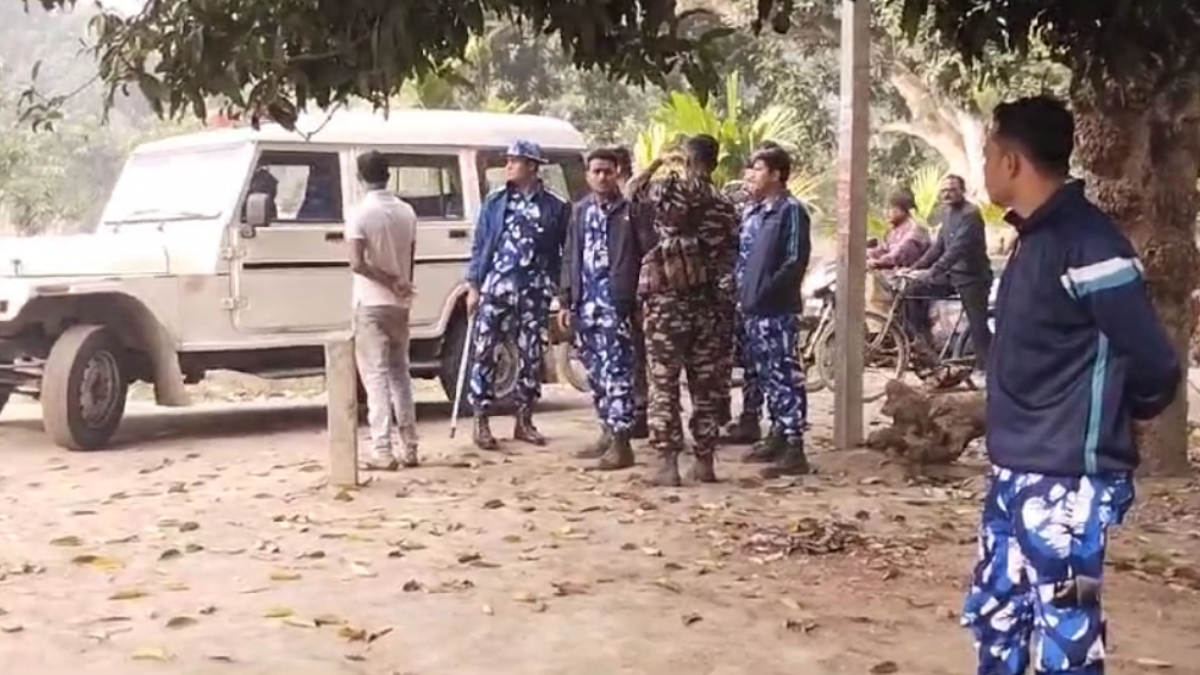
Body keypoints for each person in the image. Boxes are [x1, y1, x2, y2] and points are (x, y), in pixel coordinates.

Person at [963, 95, 1180, 675]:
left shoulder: (1091, 244)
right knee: (995, 615)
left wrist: (1112, 421)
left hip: (1067, 489)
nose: (983, 165)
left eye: (988, 153)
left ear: (1011, 161)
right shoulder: (1035, 239)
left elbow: (1156, 365)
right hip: (1012, 477)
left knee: (1068, 631)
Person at [636, 135, 739, 486]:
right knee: (706, 385)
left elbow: (633, 191)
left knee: (664, 382)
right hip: (709, 305)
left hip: (667, 304)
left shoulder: (669, 191)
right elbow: (731, 253)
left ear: (688, 159)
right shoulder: (725, 203)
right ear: (714, 162)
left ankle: (667, 464)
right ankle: (705, 462)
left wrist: (658, 164)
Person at [464, 140, 570, 451]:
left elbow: (564, 253)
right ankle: (481, 419)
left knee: (530, 355)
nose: (508, 166)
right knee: (485, 351)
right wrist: (473, 285)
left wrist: (562, 294)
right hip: (496, 288)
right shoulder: (495, 202)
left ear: (533, 166)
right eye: (508, 161)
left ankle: (524, 419)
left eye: (515, 161)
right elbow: (481, 245)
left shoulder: (555, 205)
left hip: (534, 290)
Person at [557, 148, 649, 469]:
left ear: (617, 173)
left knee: (618, 373)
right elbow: (570, 256)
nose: (602, 177)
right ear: (587, 175)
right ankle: (607, 432)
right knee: (595, 374)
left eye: (607, 171)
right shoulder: (580, 212)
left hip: (616, 305)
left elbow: (647, 256)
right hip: (587, 305)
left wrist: (639, 299)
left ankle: (623, 442)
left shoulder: (631, 212)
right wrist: (566, 299)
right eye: (596, 171)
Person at [735, 146, 812, 476]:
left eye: (758, 169)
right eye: (750, 169)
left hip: (775, 309)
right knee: (765, 375)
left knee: (783, 374)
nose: (751, 175)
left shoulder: (790, 211)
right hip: (751, 309)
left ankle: (795, 445)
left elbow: (794, 260)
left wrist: (765, 292)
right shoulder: (754, 212)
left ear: (777, 174)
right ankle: (778, 433)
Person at [345, 151, 419, 470]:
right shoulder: (407, 212)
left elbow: (357, 263)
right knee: (400, 375)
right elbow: (410, 258)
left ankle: (383, 450)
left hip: (370, 303)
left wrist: (389, 282)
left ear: (360, 177)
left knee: (375, 378)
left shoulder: (359, 213)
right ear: (388, 175)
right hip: (399, 306)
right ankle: (410, 447)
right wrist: (402, 286)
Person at [898, 174, 992, 370]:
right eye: (944, 191)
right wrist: (916, 269)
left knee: (977, 326)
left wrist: (933, 271)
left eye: (952, 190)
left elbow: (957, 249)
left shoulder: (970, 214)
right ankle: (924, 345)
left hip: (972, 278)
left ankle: (988, 369)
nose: (947, 194)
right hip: (951, 275)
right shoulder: (946, 213)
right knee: (912, 291)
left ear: (962, 191)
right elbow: (938, 247)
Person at [611, 145, 650, 438]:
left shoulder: (636, 201)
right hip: (618, 290)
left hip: (637, 290)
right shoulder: (610, 203)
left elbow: (646, 248)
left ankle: (638, 413)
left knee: (637, 355)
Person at [866, 189, 930, 270]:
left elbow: (896, 255)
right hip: (892, 271)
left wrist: (878, 262)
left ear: (902, 211)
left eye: (892, 209)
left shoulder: (914, 232)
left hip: (908, 274)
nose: (888, 212)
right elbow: (882, 249)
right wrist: (865, 254)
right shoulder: (894, 229)